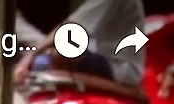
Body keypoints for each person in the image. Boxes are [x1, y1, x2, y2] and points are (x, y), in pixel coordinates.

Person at [13, 0, 146, 86]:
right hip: (104, 57)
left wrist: (31, 55)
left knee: (59, 54)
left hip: (120, 66)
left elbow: (70, 27)